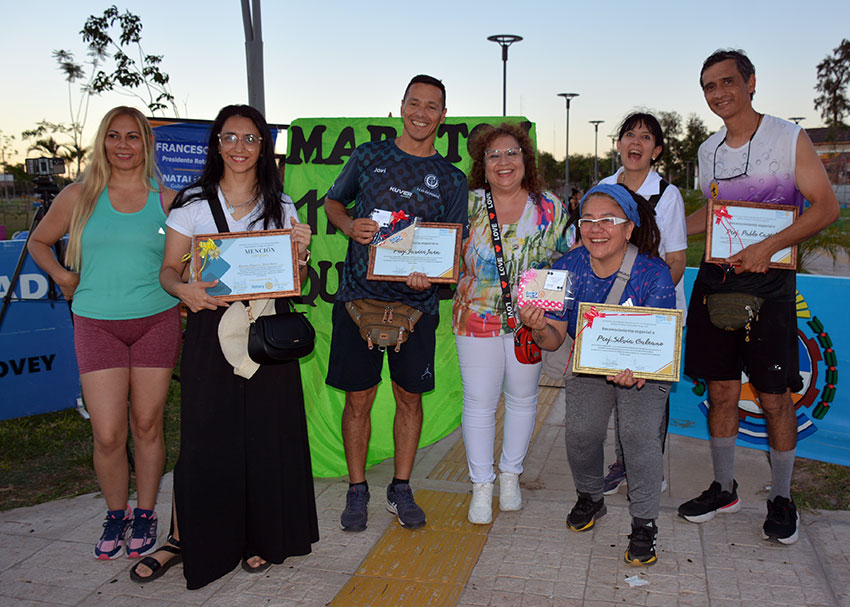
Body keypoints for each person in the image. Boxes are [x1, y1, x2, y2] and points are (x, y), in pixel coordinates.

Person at [136, 104, 318, 589]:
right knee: (204, 436)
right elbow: (169, 271)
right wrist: (185, 291)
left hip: (265, 335)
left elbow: (292, 282)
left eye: (251, 138)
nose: (240, 147)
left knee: (264, 435)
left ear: (264, 147)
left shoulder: (282, 206)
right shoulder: (193, 203)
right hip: (208, 331)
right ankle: (189, 537)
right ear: (216, 144)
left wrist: (300, 251)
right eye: (231, 137)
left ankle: (261, 536)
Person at [678, 50, 839, 545]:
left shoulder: (787, 136)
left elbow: (826, 207)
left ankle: (783, 496)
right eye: (708, 86)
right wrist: (669, 238)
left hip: (769, 283)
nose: (718, 93)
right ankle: (724, 488)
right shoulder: (708, 151)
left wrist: (768, 246)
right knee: (722, 390)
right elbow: (716, 213)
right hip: (717, 281)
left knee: (774, 398)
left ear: (750, 83)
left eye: (727, 81)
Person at [27, 106, 181, 560]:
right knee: (109, 434)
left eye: (133, 136)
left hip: (157, 320)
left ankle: (147, 513)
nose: (123, 145)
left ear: (146, 144)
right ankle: (117, 514)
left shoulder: (169, 200)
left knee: (147, 425)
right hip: (96, 324)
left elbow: (192, 257)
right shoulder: (78, 196)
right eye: (114, 136)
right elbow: (38, 241)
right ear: (103, 142)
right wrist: (61, 275)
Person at [324, 75, 468, 532]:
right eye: (414, 103)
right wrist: (349, 227)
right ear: (401, 106)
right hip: (356, 298)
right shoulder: (369, 157)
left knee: (409, 398)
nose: (421, 113)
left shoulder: (451, 178)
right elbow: (332, 203)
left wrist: (437, 277)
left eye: (432, 107)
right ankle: (357, 488)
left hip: (416, 307)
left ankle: (401, 487)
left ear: (443, 116)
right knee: (358, 400)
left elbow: (454, 248)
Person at [519, 184, 675, 566]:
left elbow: (656, 348)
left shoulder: (654, 273)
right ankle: (590, 497)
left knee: (638, 435)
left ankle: (644, 524)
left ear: (629, 227)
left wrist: (638, 370)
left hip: (643, 370)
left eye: (608, 219)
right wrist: (538, 326)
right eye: (587, 220)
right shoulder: (566, 269)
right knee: (581, 433)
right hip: (590, 365)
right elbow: (554, 341)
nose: (596, 227)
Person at [452, 123, 572, 524]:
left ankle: (510, 477)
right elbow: (438, 250)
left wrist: (553, 310)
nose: (504, 162)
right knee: (480, 402)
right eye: (493, 156)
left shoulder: (550, 208)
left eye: (512, 153)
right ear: (482, 165)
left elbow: (569, 258)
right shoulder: (466, 205)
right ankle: (481, 484)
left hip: (529, 321)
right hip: (475, 317)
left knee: (523, 398)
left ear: (526, 160)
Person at [598, 112, 687, 495]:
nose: (636, 142)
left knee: (650, 397)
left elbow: (677, 260)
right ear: (618, 144)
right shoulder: (603, 188)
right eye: (629, 134)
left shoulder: (668, 195)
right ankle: (621, 464)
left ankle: (650, 469)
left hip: (654, 312)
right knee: (618, 390)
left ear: (657, 150)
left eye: (646, 137)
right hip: (613, 309)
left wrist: (645, 307)